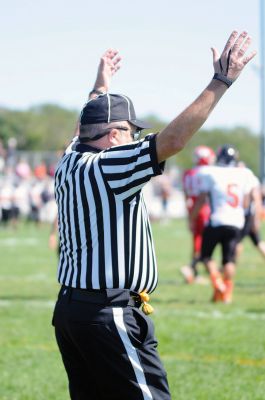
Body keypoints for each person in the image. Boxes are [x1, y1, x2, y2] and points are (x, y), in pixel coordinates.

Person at [52, 33, 256, 399]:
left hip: (72, 311)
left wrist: (101, 87)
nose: (135, 138)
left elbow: (84, 127)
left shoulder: (69, 159)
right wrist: (221, 82)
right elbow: (172, 142)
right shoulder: (109, 165)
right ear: (114, 136)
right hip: (108, 312)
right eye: (131, 132)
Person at [191, 145, 257, 303]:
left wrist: (193, 215)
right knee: (229, 260)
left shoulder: (210, 172)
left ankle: (218, 283)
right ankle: (227, 293)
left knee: (206, 257)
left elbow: (202, 198)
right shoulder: (244, 174)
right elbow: (247, 202)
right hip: (236, 222)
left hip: (216, 220)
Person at [181, 145, 215, 283]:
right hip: (205, 207)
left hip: (192, 206)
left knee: (197, 239)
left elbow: (186, 194)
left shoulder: (189, 173)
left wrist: (189, 213)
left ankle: (194, 270)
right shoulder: (210, 172)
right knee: (207, 241)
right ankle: (194, 268)